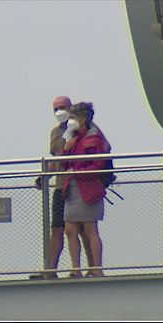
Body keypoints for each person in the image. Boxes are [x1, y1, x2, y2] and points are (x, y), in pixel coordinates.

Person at [30, 96, 93, 279]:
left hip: (79, 185)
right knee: (57, 228)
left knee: (83, 229)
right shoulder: (56, 132)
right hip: (61, 186)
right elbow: (58, 154)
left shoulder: (85, 128)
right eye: (56, 109)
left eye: (62, 107)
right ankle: (50, 269)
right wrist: (43, 177)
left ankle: (92, 268)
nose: (59, 112)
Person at [61, 102, 108, 278]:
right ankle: (76, 268)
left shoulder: (93, 138)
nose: (70, 121)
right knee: (70, 229)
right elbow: (64, 164)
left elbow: (98, 165)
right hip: (72, 188)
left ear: (82, 118)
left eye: (73, 117)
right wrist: (66, 148)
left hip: (88, 189)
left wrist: (78, 172)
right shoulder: (74, 137)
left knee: (90, 229)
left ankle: (97, 268)